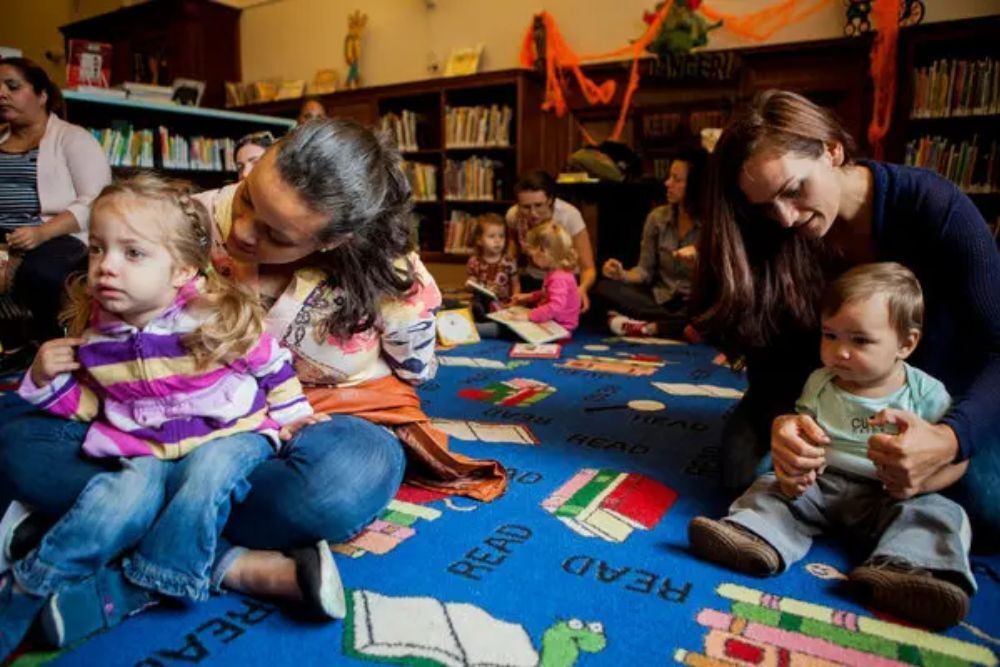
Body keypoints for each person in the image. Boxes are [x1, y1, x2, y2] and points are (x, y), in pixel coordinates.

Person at [0, 119, 506, 644]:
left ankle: (106, 521)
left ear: (336, 240)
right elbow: (107, 318)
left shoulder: (390, 275)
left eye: (274, 233)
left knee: (337, 487)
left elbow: (417, 372)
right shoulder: (185, 219)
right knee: (16, 435)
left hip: (313, 420)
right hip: (169, 418)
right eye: (246, 198)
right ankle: (231, 563)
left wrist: (401, 308)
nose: (241, 230)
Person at [0, 174, 340, 658]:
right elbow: (94, 410)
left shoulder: (212, 314)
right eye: (97, 249)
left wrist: (293, 414)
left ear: (182, 269)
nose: (105, 267)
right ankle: (32, 583)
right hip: (147, 444)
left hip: (233, 430)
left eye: (132, 253)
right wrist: (44, 380)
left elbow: (271, 365)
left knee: (206, 474)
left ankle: (148, 581)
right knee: (121, 494)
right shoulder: (98, 336)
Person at [692, 89, 1000, 549]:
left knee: (988, 507)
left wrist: (950, 439)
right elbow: (770, 355)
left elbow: (996, 346)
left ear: (832, 150)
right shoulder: (769, 228)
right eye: (763, 205)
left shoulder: (936, 208)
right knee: (743, 474)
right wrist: (783, 422)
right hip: (820, 401)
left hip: (931, 404)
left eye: (794, 190)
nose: (785, 217)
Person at [689, 263, 975, 630]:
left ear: (906, 343)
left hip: (893, 494)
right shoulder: (820, 382)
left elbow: (952, 456)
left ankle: (908, 571)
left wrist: (924, 484)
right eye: (830, 336)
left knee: (940, 513)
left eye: (859, 340)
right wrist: (795, 460)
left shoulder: (926, 393)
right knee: (769, 485)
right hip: (821, 483)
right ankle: (753, 536)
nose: (840, 352)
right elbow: (802, 428)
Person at [0, 57, 111, 369]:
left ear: (42, 95)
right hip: (5, 240)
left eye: (13, 86)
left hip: (57, 235)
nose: (1, 94)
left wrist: (40, 233)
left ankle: (51, 346)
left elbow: (97, 200)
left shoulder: (73, 139)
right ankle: (12, 346)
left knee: (42, 272)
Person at [594, 146, 706, 338]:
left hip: (696, 302)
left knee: (713, 311)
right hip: (659, 300)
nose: (667, 183)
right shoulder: (657, 218)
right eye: (669, 177)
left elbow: (724, 282)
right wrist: (622, 274)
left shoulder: (714, 224)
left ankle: (649, 327)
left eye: (677, 180)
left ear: (696, 185)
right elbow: (644, 271)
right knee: (604, 288)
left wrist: (700, 262)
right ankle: (671, 327)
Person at [505, 170, 596, 312]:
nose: (533, 213)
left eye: (539, 205)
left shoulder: (569, 216)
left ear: (550, 200)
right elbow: (513, 244)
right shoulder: (513, 215)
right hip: (533, 279)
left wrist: (581, 289)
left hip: (566, 281)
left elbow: (588, 268)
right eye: (526, 207)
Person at [509, 221, 581, 334]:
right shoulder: (557, 272)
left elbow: (555, 306)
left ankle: (480, 329)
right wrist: (529, 296)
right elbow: (548, 293)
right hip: (554, 323)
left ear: (543, 252)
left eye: (533, 255)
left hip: (560, 327)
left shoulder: (559, 278)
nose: (532, 259)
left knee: (512, 327)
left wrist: (529, 315)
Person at [466, 212, 519, 320]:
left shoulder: (509, 261)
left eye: (501, 236)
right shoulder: (474, 261)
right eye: (491, 236)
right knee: (477, 304)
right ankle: (481, 318)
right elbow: (471, 283)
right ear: (479, 240)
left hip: (503, 304)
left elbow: (516, 284)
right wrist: (470, 285)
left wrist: (515, 302)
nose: (497, 240)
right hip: (483, 302)